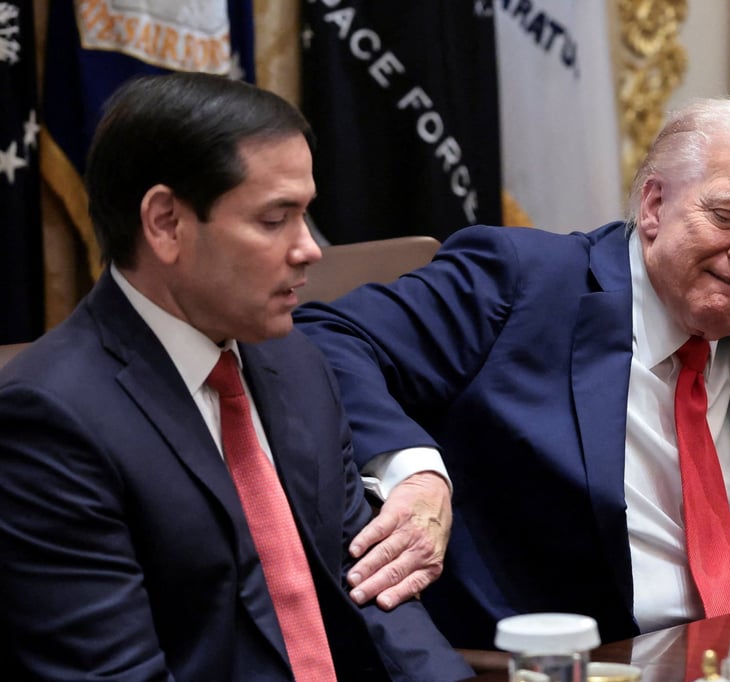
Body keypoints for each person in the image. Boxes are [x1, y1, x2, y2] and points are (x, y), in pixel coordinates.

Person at [294, 97, 730, 648]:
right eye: (727, 214)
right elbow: (325, 337)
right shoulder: (522, 280)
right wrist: (413, 471)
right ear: (654, 204)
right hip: (576, 658)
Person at [0, 72, 472, 681]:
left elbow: (374, 593)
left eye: (306, 214)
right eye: (276, 219)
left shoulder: (295, 361)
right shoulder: (49, 419)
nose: (310, 249)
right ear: (166, 223)